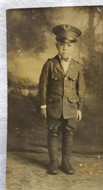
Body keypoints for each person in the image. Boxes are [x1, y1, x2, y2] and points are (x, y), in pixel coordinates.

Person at [39, 24, 85, 175]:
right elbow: (43, 86)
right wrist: (43, 105)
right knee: (53, 132)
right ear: (56, 45)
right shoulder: (50, 64)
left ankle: (65, 162)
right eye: (62, 45)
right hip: (54, 106)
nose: (65, 49)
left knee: (68, 133)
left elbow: (81, 89)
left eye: (69, 46)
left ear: (74, 48)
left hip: (71, 107)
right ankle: (53, 163)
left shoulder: (77, 66)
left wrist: (79, 108)